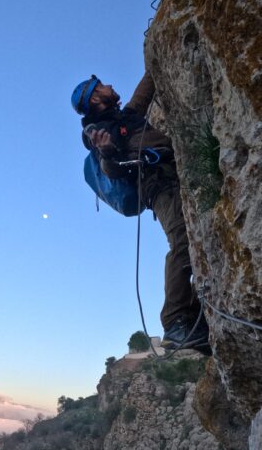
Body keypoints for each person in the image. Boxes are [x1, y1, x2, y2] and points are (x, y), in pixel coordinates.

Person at [71, 69, 210, 352]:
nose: (110, 84)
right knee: (182, 242)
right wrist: (108, 151)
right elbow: (110, 170)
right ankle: (175, 322)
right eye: (102, 86)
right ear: (96, 98)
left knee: (193, 240)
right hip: (158, 185)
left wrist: (154, 58)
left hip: (171, 177)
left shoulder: (124, 117)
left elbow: (144, 92)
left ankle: (195, 316)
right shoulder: (99, 131)